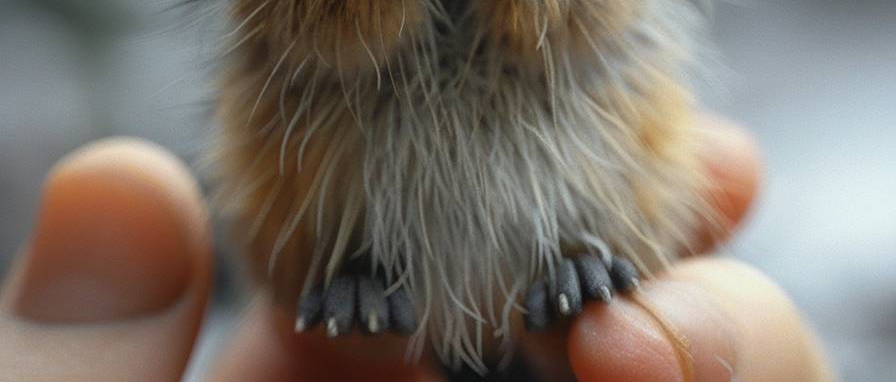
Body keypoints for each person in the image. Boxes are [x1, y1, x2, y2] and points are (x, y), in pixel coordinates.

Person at [0, 117, 833, 382]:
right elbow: (303, 27)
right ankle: (349, 276)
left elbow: (598, 0)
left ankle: (576, 270)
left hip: (561, 223)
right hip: (353, 233)